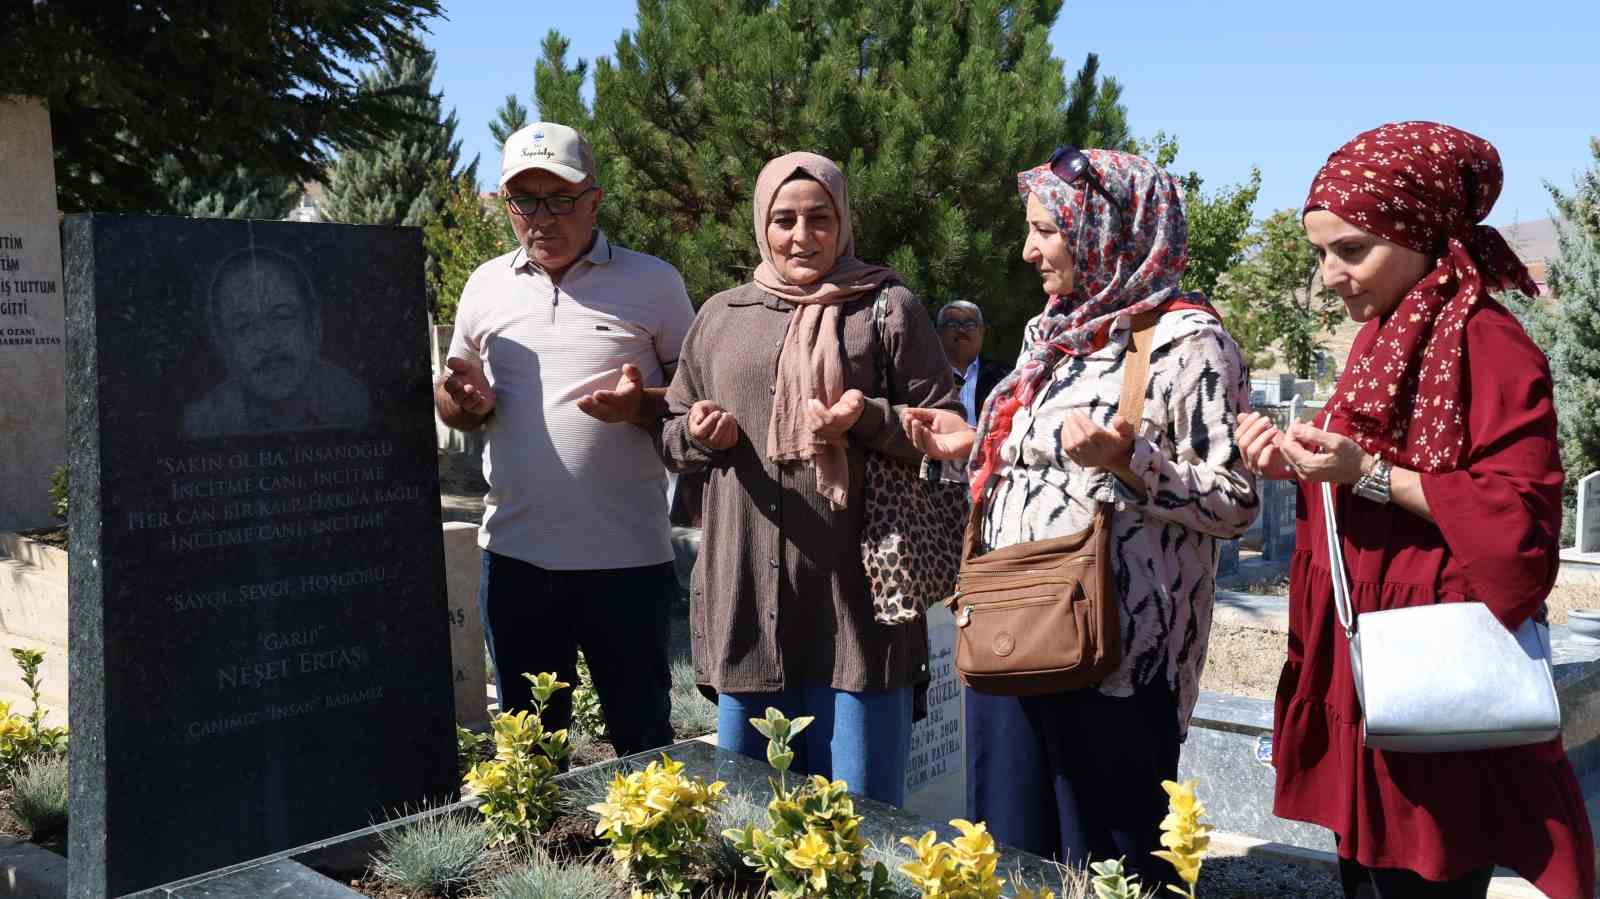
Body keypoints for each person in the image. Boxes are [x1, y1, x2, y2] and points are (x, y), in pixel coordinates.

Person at [1236, 121, 1594, 899]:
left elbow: (1518, 526)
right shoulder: (1380, 341)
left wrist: (1364, 471)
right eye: (1320, 253)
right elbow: (1357, 487)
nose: (1331, 274)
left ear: (1422, 229)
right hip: (1367, 666)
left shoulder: (1489, 346)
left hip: (1437, 678)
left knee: (1427, 871)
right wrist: (1291, 463)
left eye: (1352, 249)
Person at [903, 147, 1257, 885]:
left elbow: (1235, 500)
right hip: (1012, 639)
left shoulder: (1186, 343)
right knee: (1003, 859)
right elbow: (1043, 468)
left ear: (1107, 228)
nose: (1028, 251)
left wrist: (1134, 463)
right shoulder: (1056, 337)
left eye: (1045, 231)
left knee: (1107, 867)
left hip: (1115, 664)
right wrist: (973, 446)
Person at [655, 152, 961, 806]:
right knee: (753, 828)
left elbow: (951, 429)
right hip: (752, 609)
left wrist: (872, 419)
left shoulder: (889, 306)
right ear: (761, 226)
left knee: (862, 824)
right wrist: (696, 434)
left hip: (863, 612)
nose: (802, 235)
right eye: (784, 219)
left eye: (819, 218)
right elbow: (672, 432)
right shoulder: (720, 317)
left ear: (843, 220)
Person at [436, 122, 694, 757]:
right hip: (517, 559)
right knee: (529, 757)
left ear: (596, 200)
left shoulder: (655, 284)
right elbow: (455, 397)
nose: (541, 218)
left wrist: (641, 407)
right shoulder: (484, 285)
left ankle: (646, 861)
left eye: (560, 198)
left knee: (642, 746)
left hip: (628, 562)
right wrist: (463, 401)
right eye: (524, 200)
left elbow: (697, 404)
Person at [184, 247, 371, 438]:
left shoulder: (354, 400)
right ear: (221, 343)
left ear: (314, 323)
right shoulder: (205, 423)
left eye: (282, 317)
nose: (266, 343)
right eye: (243, 327)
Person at [935, 300, 1012, 425]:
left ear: (982, 331)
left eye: (970, 325)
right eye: (952, 325)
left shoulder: (1004, 376)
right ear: (938, 332)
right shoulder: (924, 376)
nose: (961, 330)